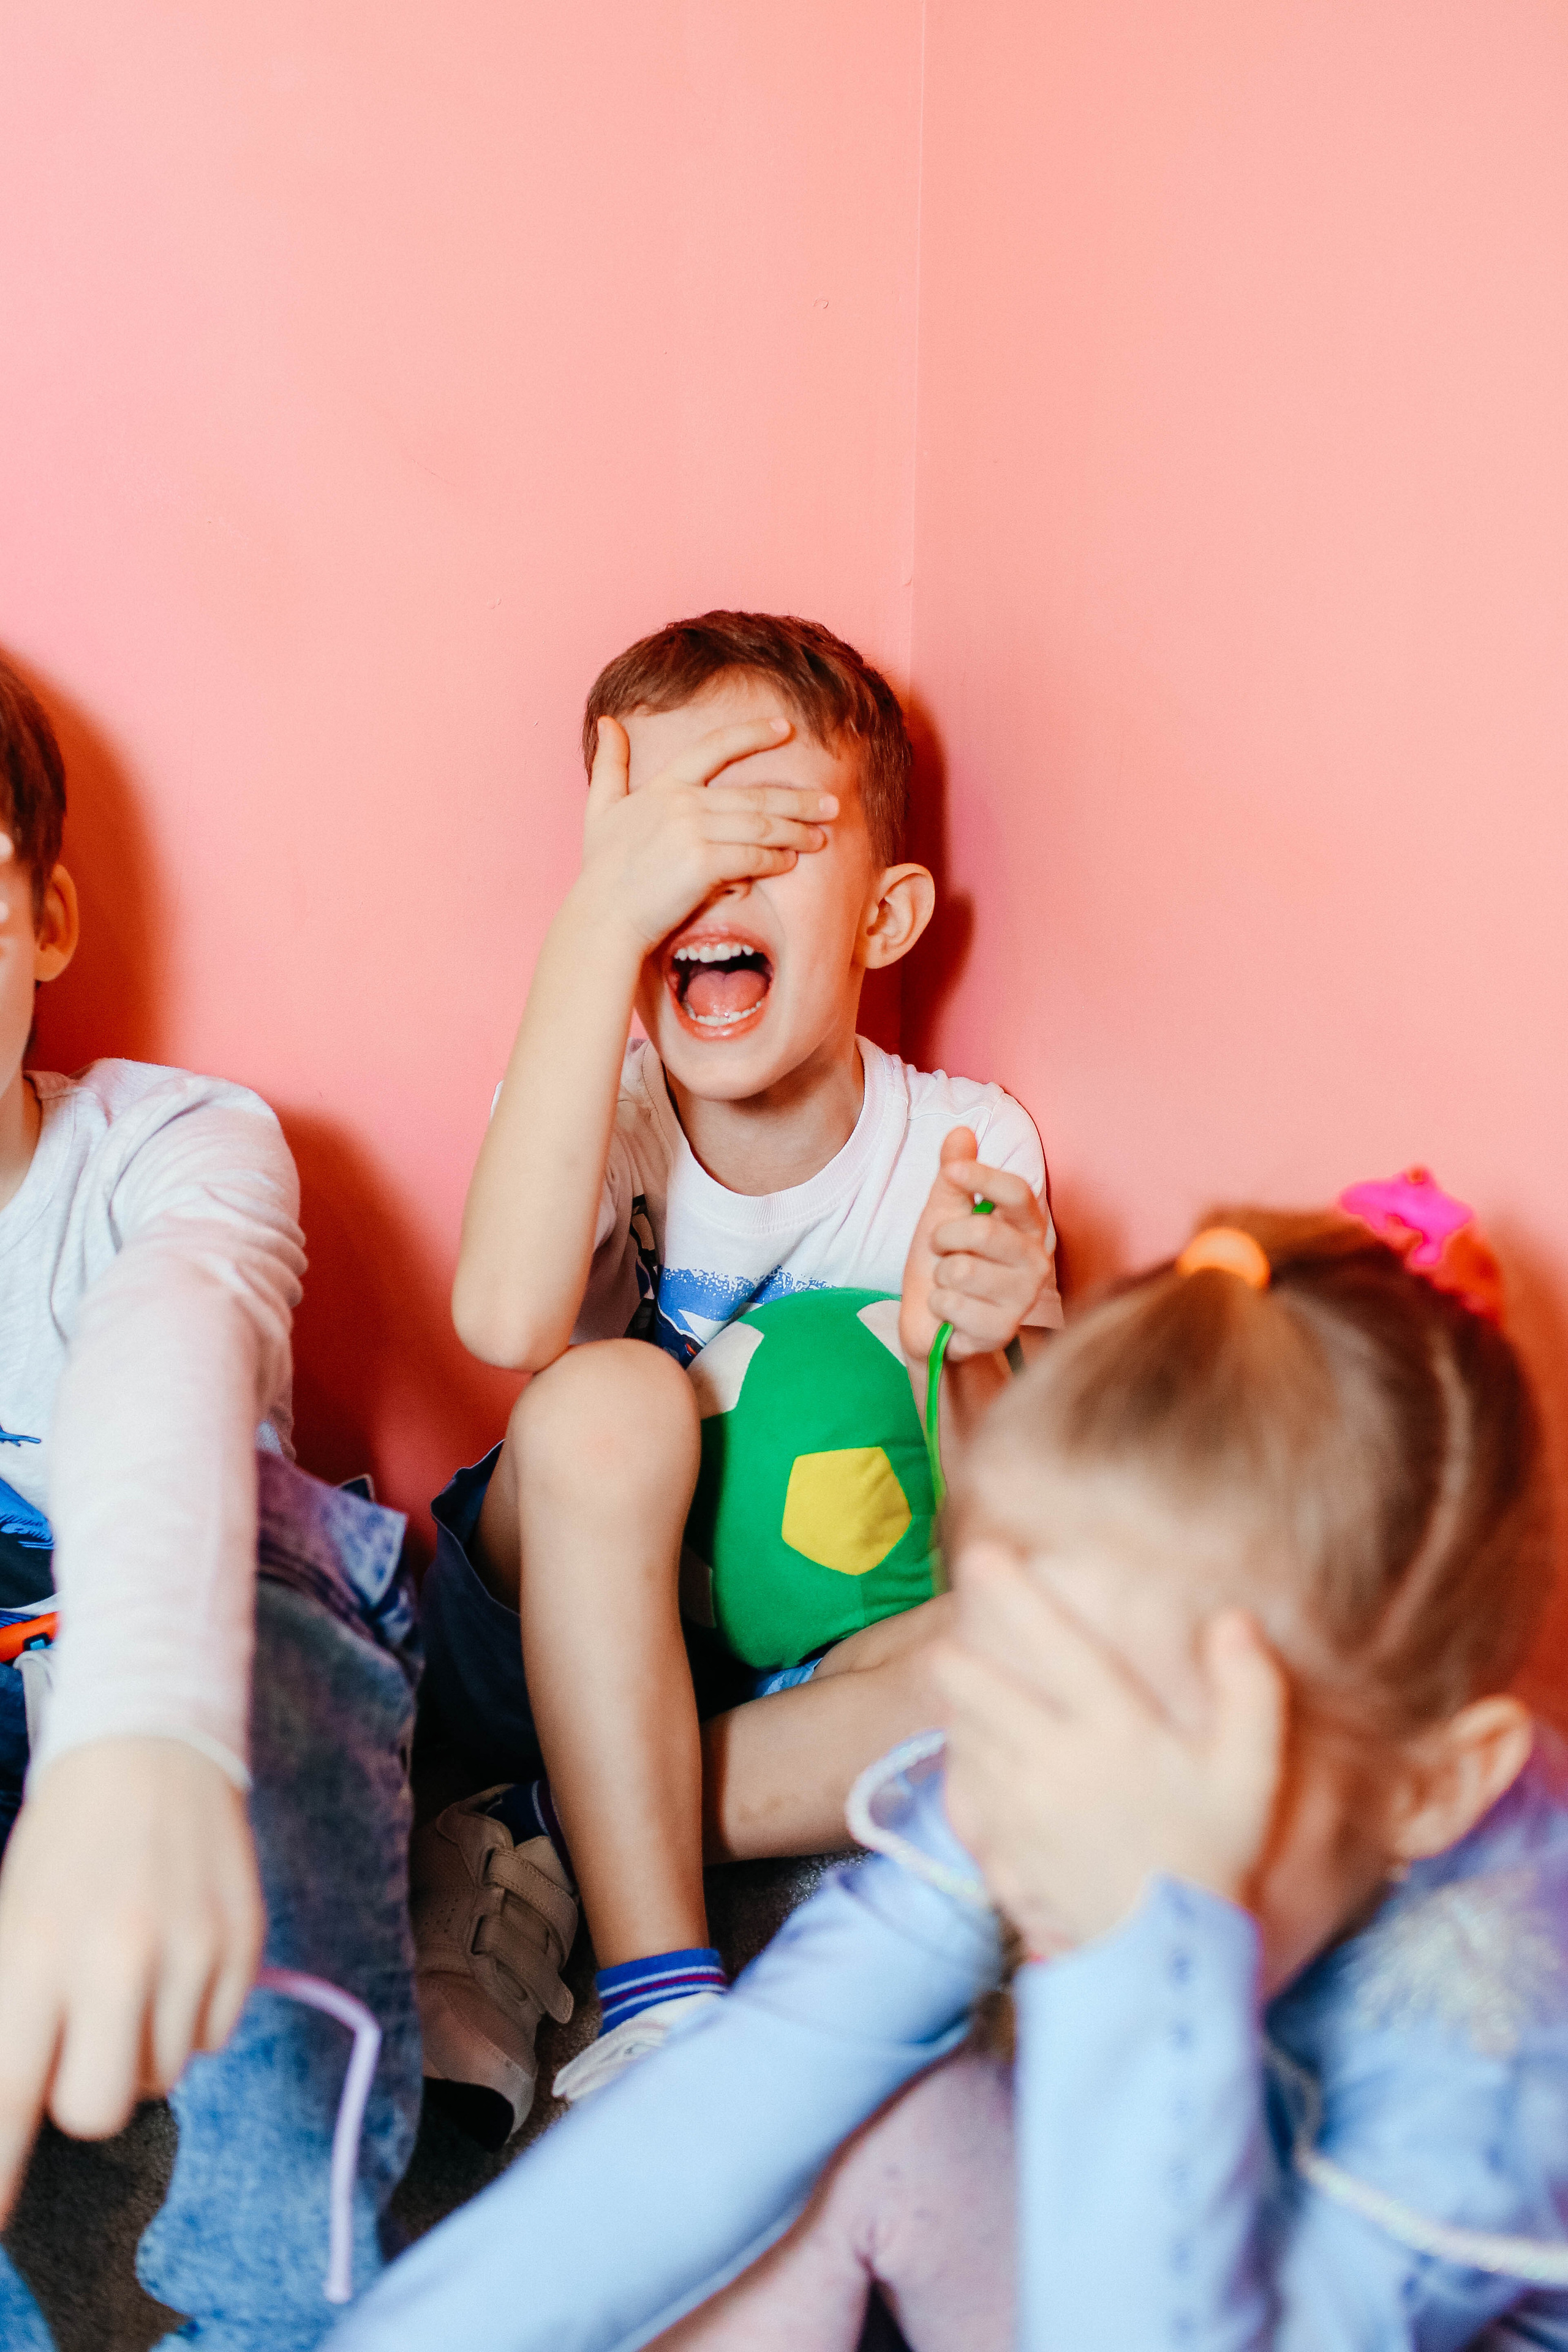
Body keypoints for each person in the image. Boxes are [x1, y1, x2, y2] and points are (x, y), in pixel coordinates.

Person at [328, 1182, 1568, 2352]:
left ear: (1431, 1791)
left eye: (1153, 1792)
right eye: (1031, 1681)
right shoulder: (1084, 1735)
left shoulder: (1495, 2055)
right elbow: (749, 2084)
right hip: (1137, 2232)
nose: (1055, 1804)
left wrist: (1137, 1953)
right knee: (859, 2120)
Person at [411, 611, 1061, 2142]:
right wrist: (594, 924)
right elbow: (508, 1325)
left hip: (794, 1660)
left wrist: (986, 1337)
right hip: (543, 1615)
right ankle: (662, 1990)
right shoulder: (600, 1094)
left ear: (887, 917)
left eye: (761, 829)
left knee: (1044, 1652)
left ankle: (558, 1839)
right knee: (609, 1395)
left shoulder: (964, 1148)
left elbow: (984, 1552)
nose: (703, 880)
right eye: (662, 841)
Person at [0, 657, 422, 2352]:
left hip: (209, 1629)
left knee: (248, 1563)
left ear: (46, 919)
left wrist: (141, 1723)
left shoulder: (179, 1141)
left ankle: (285, 2302)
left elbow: (165, 1350)